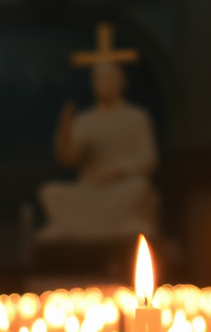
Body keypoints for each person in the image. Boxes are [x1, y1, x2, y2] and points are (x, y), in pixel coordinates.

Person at [38, 59, 159, 244]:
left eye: (109, 78)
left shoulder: (136, 116)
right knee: (50, 191)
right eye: (98, 80)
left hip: (120, 189)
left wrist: (118, 170)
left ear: (121, 82)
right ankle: (69, 226)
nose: (103, 84)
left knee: (139, 189)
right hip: (89, 190)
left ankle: (126, 223)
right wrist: (64, 134)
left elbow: (147, 157)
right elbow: (70, 158)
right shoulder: (85, 120)